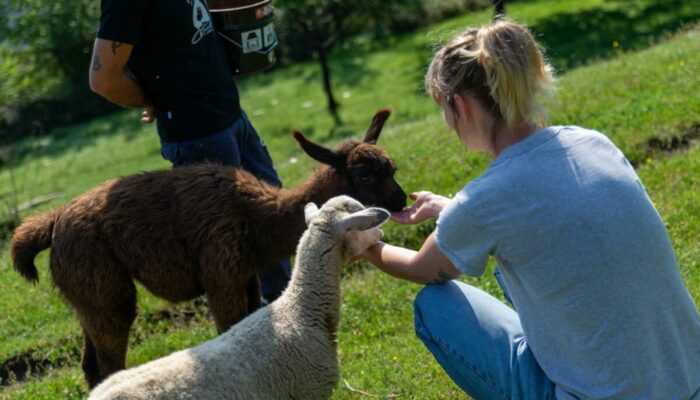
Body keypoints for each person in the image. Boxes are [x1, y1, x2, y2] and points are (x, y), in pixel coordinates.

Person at [361, 19, 700, 399]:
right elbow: (545, 214)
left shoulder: (485, 201)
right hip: (688, 382)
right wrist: (452, 209)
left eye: (445, 109)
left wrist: (364, 243)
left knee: (435, 306)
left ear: (462, 107)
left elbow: (419, 269)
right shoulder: (593, 143)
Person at [88, 0, 290, 303]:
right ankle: (245, 336)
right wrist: (154, 100)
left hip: (232, 116)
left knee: (273, 217)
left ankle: (286, 314)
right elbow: (103, 78)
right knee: (229, 245)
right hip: (198, 136)